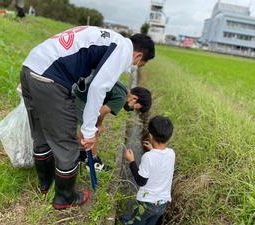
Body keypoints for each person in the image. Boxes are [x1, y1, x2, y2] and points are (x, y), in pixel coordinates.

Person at [20, 26, 155, 210]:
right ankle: (65, 198)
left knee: (41, 135)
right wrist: (89, 130)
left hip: (30, 67)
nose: (135, 67)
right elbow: (98, 88)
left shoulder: (110, 39)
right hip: (51, 78)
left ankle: (45, 185)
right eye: (140, 65)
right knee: (67, 146)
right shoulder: (122, 50)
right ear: (138, 56)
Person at [75, 79, 152, 170]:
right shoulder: (122, 98)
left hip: (81, 91)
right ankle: (93, 163)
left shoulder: (122, 88)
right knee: (93, 129)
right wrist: (99, 125)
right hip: (82, 98)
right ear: (134, 98)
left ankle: (82, 154)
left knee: (87, 126)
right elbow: (101, 111)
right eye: (136, 107)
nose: (133, 109)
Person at [123, 115, 175, 225]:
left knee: (137, 222)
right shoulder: (171, 153)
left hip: (147, 204)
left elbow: (141, 181)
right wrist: (153, 149)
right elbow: (160, 161)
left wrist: (131, 161)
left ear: (150, 135)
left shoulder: (148, 157)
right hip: (162, 203)